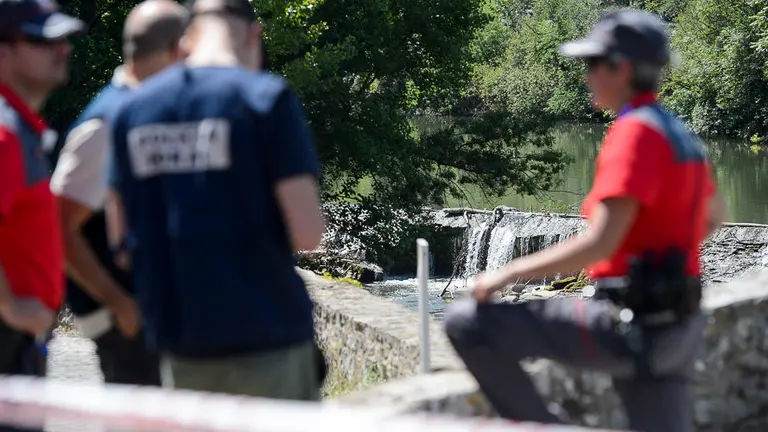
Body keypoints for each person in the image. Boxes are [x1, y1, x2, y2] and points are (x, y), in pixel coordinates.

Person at [443, 10, 728, 432]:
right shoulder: (678, 131)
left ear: (623, 69)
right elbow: (712, 218)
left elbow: (600, 244)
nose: (587, 75)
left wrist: (505, 274)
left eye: (594, 64)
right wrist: (656, 258)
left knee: (466, 324)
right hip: (678, 326)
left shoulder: (634, 132)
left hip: (629, 325)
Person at [105, 0, 326, 400]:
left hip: (179, 341)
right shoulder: (265, 99)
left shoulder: (131, 111)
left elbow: (121, 244)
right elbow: (308, 233)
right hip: (267, 336)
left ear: (187, 38)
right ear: (253, 35)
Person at [49, 0, 189, 386]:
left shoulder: (139, 110)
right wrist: (118, 303)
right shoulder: (107, 124)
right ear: (176, 50)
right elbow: (58, 225)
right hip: (124, 319)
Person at [0, 0, 84, 430]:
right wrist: (10, 307)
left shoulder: (18, 124)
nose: (62, 49)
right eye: (41, 39)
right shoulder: (5, 130)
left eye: (63, 38)